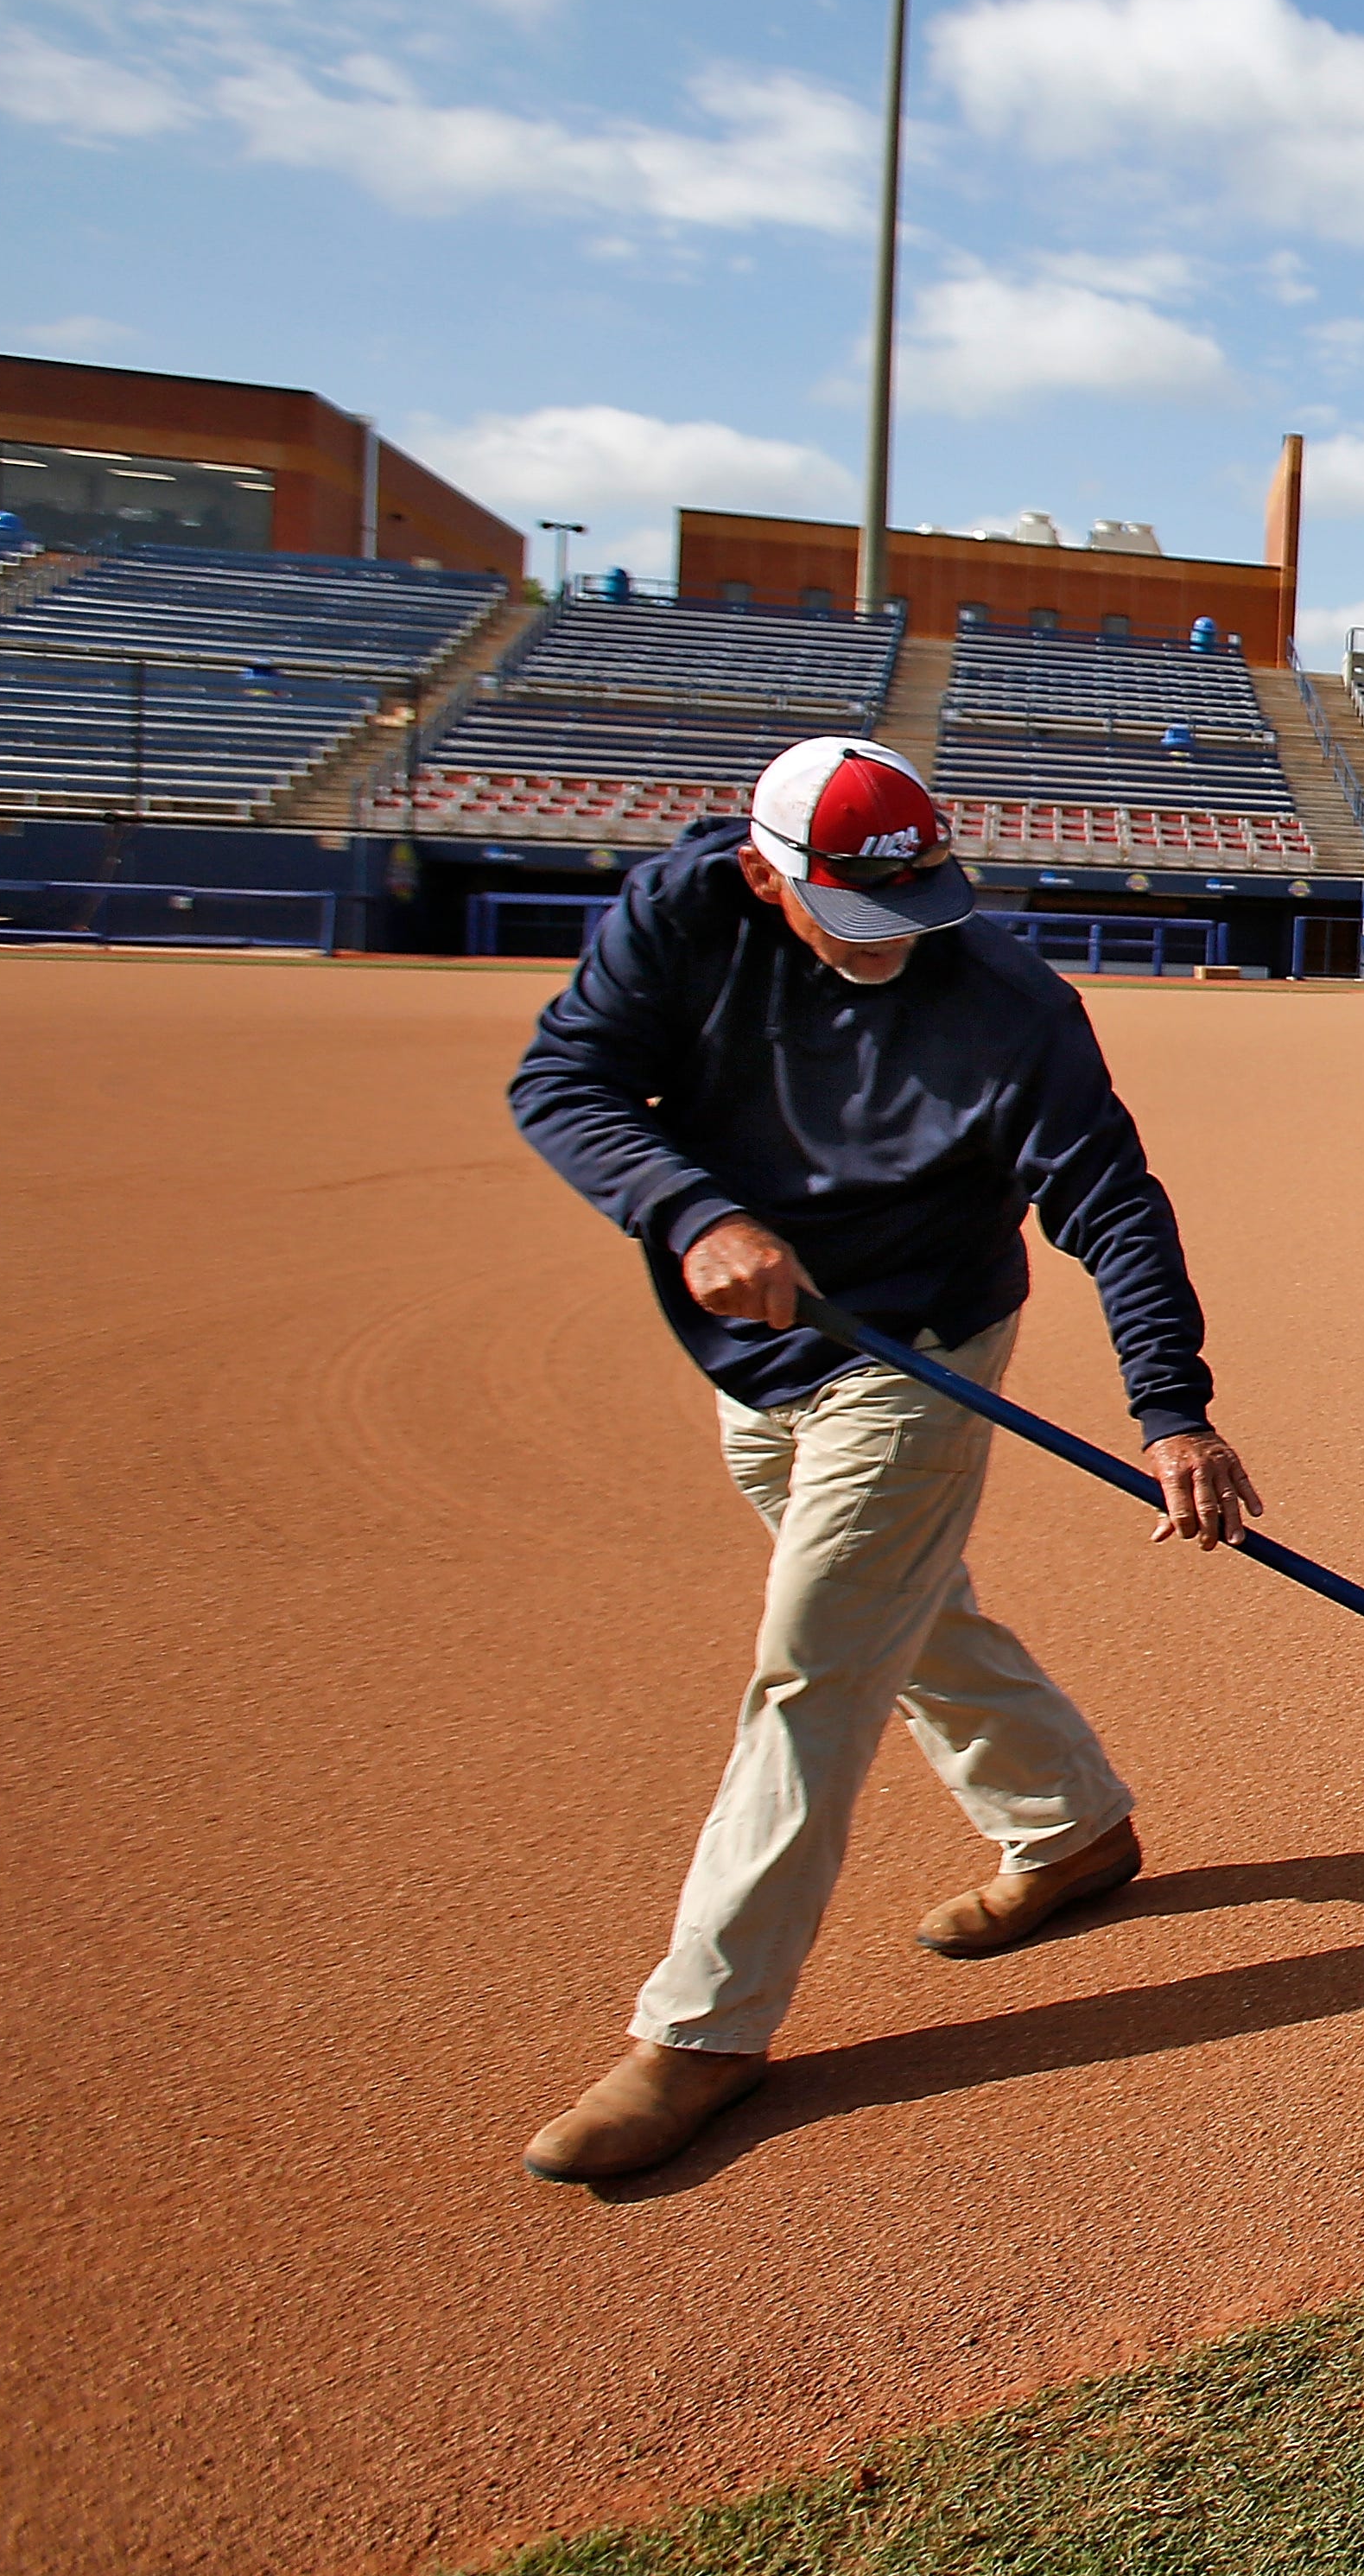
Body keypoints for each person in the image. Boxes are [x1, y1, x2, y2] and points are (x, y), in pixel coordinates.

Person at [504, 735, 1263, 2185]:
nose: (896, 945)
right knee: (903, 1615)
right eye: (859, 916)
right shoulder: (682, 916)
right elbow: (566, 1079)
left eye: (918, 909)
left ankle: (704, 2033)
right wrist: (685, 1211)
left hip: (917, 1345)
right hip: (754, 1344)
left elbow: (1115, 1201)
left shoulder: (1006, 1001)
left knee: (816, 1662)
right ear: (763, 875)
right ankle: (1072, 1827)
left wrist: (1171, 1407)